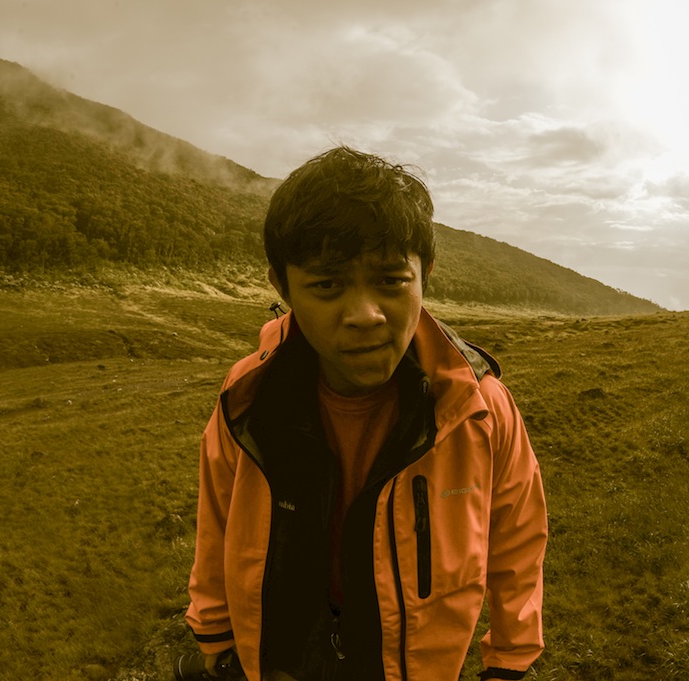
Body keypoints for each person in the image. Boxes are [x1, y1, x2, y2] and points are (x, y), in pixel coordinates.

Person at [184, 146, 547, 681]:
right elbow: (216, 520)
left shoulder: (478, 406)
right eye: (327, 285)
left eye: (391, 281)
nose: (365, 315)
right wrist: (214, 635)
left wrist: (512, 659)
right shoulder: (248, 399)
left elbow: (517, 534)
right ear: (282, 288)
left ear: (426, 275)